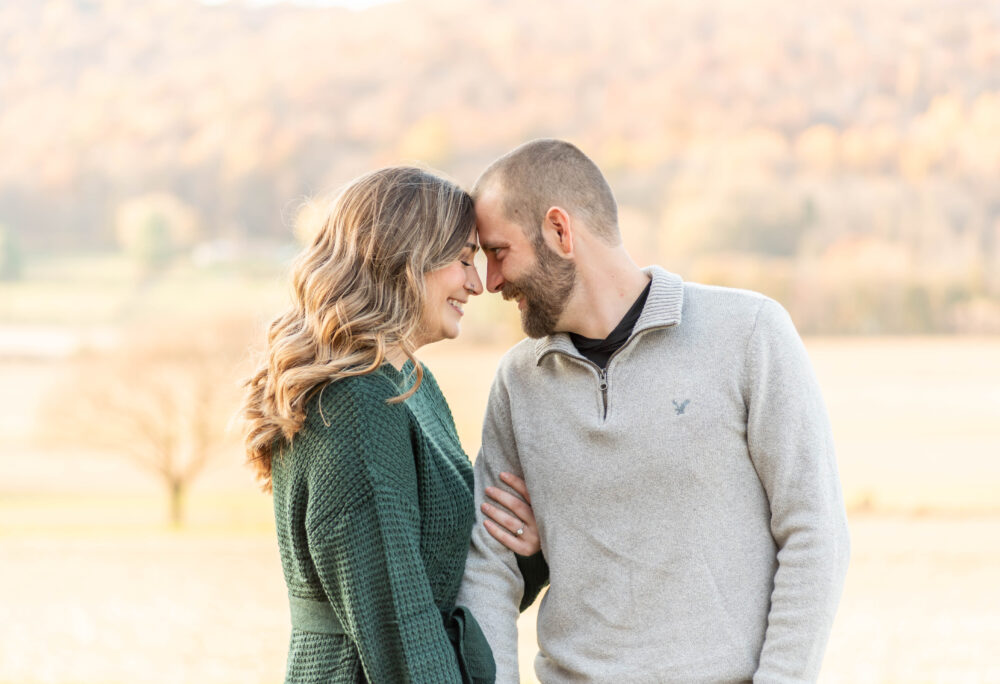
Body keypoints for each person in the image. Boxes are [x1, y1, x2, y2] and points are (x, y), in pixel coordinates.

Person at [456, 139, 851, 683]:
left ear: (559, 232)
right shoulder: (518, 382)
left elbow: (814, 531)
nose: (490, 281)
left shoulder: (749, 333)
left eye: (498, 252)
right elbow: (490, 566)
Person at [240, 166, 541, 683]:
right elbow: (401, 626)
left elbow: (438, 581)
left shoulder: (410, 385)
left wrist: (524, 554)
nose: (477, 283)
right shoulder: (356, 403)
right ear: (405, 258)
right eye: (462, 259)